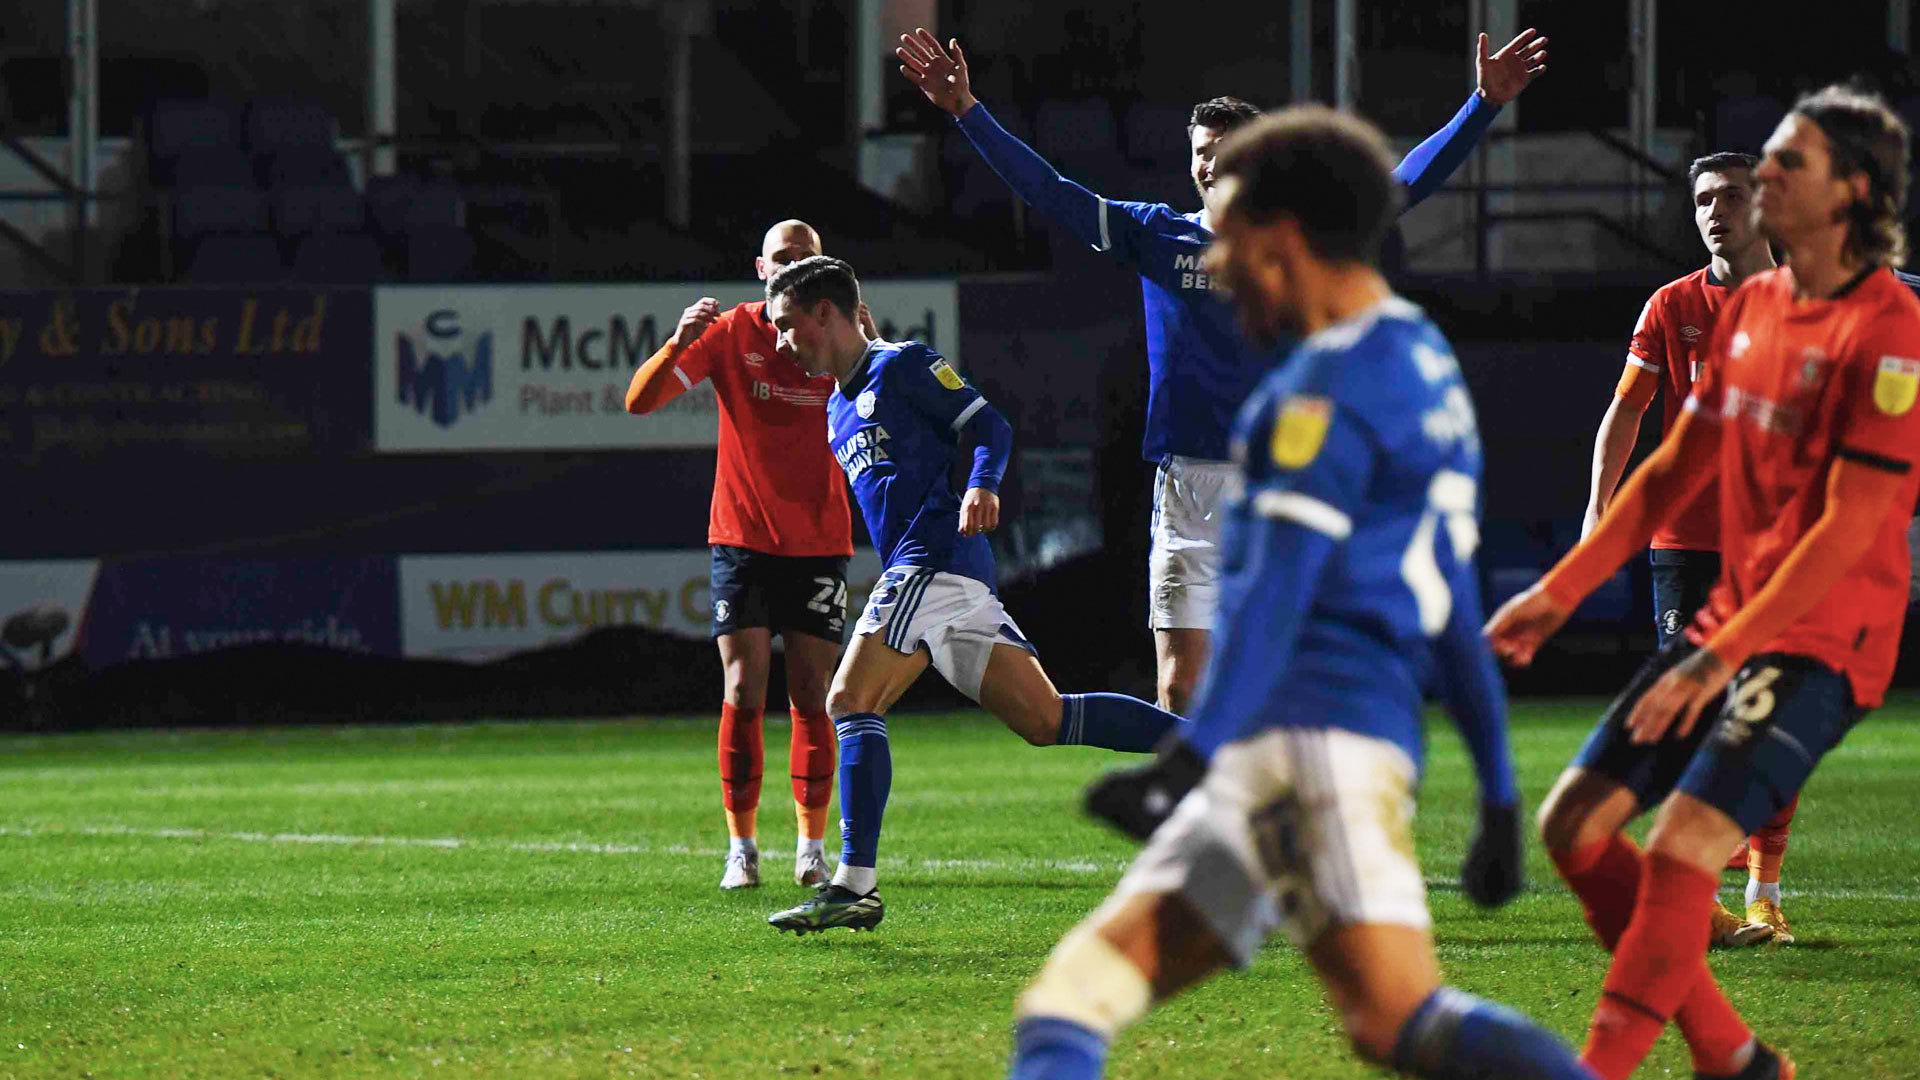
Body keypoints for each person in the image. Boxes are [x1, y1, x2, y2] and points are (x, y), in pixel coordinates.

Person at [1004, 107, 1593, 1080]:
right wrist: (1494, 791)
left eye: (1229, 238)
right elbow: (1448, 598)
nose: (1217, 265)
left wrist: (1181, 759)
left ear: (1280, 239)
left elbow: (1273, 606)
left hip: (1300, 753)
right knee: (1394, 1024)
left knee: (1077, 1003)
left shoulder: (1304, 400)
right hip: (1360, 746)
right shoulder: (1427, 364)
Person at [897, 25, 1547, 716]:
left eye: (1223, 151)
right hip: (1188, 490)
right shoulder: (1157, 234)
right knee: (1179, 687)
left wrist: (1482, 103)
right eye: (1200, 154)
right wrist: (969, 112)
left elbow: (1404, 183)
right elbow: (1050, 190)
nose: (1209, 165)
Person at [1487, 84, 1920, 1080]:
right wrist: (1569, 580)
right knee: (1573, 825)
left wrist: (1717, 653)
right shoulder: (1753, 308)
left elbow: (1852, 524)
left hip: (1830, 634)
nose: (1761, 177)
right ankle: (1732, 1056)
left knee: (1680, 847)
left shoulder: (1887, 326)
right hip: (1725, 611)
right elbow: (1678, 463)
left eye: (1789, 161)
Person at [758, 256, 1187, 934]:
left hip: (933, 560)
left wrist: (983, 484)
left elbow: (991, 426)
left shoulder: (902, 366)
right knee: (1046, 720)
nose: (782, 342)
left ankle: (854, 883)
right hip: (940, 576)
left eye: (787, 326)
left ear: (825, 314)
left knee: (847, 699)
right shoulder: (837, 407)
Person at [1579, 153, 1796, 945]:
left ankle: (1763, 892)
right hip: (1687, 541)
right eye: (1703, 199)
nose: (1715, 211)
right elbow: (1626, 409)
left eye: (1732, 197)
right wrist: (1599, 507)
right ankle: (1695, 892)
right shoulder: (1672, 305)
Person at [625, 219, 875, 892]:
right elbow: (639, 401)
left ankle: (812, 847)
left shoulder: (841, 336)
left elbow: (890, 418)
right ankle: (741, 847)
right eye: (782, 257)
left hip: (821, 539)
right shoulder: (732, 332)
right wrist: (678, 341)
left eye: (807, 257)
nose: (793, 265)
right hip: (741, 536)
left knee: (812, 695)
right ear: (761, 269)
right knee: (742, 687)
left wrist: (872, 350)